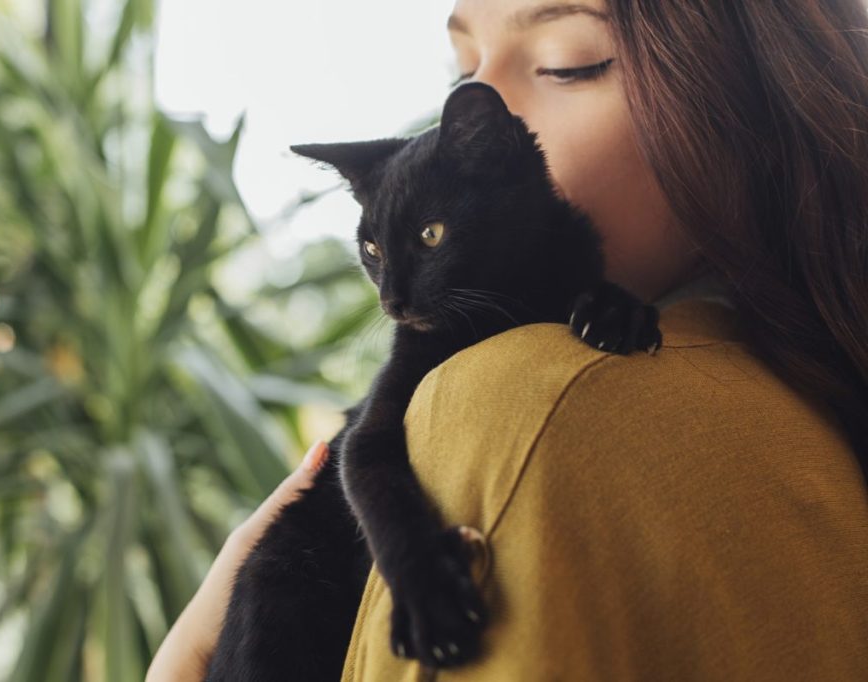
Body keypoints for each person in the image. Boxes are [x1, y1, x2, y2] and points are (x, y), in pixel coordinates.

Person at [149, 0, 868, 679]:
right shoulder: (814, 422)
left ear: (747, 82)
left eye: (568, 61)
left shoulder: (532, 401)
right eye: (462, 72)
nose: (487, 106)